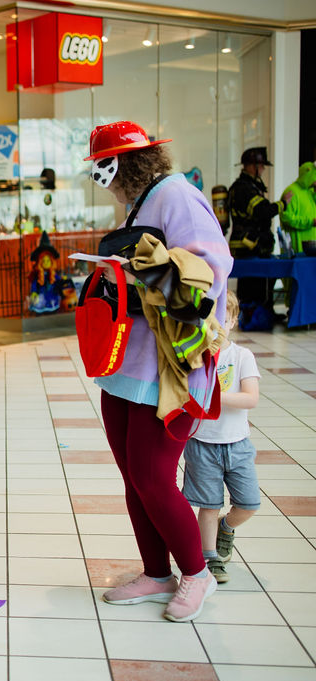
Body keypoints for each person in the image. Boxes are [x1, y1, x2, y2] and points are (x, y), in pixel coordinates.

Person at [85, 121, 233, 622]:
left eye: (103, 167)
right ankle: (156, 572)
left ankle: (197, 574)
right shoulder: (143, 200)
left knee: (152, 476)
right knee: (135, 478)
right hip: (130, 359)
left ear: (123, 164)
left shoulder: (176, 197)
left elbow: (210, 272)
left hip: (167, 365)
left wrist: (143, 272)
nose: (100, 178)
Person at [181, 291, 260, 584]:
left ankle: (227, 528)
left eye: (224, 320)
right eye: (211, 321)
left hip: (237, 444)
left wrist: (215, 397)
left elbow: (251, 398)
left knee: (249, 503)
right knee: (209, 505)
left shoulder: (242, 357)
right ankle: (209, 558)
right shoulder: (196, 357)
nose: (218, 327)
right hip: (202, 443)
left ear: (234, 321)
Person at [227, 147, 283, 316]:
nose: (263, 169)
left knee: (258, 283)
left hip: (252, 245)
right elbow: (262, 212)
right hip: (249, 245)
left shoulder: (248, 186)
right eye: (261, 166)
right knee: (253, 284)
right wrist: (283, 204)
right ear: (252, 166)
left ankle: (261, 313)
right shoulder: (244, 188)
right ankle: (254, 315)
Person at [279, 161, 316, 253]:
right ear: (310, 174)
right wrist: (310, 222)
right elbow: (287, 218)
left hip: (311, 250)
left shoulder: (310, 192)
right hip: (296, 249)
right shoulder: (292, 192)